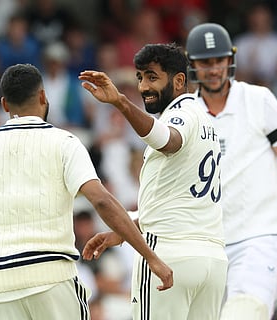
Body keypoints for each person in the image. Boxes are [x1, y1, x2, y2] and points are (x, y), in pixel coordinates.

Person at [0, 63, 173, 320]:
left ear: (5, 105)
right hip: (52, 278)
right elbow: (102, 201)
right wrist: (151, 257)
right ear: (43, 96)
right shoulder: (65, 143)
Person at [184, 23, 277, 319]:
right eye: (205, 62)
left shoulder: (258, 100)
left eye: (219, 60)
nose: (214, 69)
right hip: (207, 247)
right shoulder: (184, 112)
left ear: (230, 59)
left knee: (244, 312)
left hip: (258, 236)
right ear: (192, 65)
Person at [79, 43, 228, 320]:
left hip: (169, 257)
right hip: (212, 261)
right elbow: (176, 201)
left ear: (179, 80)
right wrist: (123, 232)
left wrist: (121, 102)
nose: (144, 87)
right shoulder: (205, 120)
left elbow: (168, 141)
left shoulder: (180, 115)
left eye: (152, 77)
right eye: (140, 78)